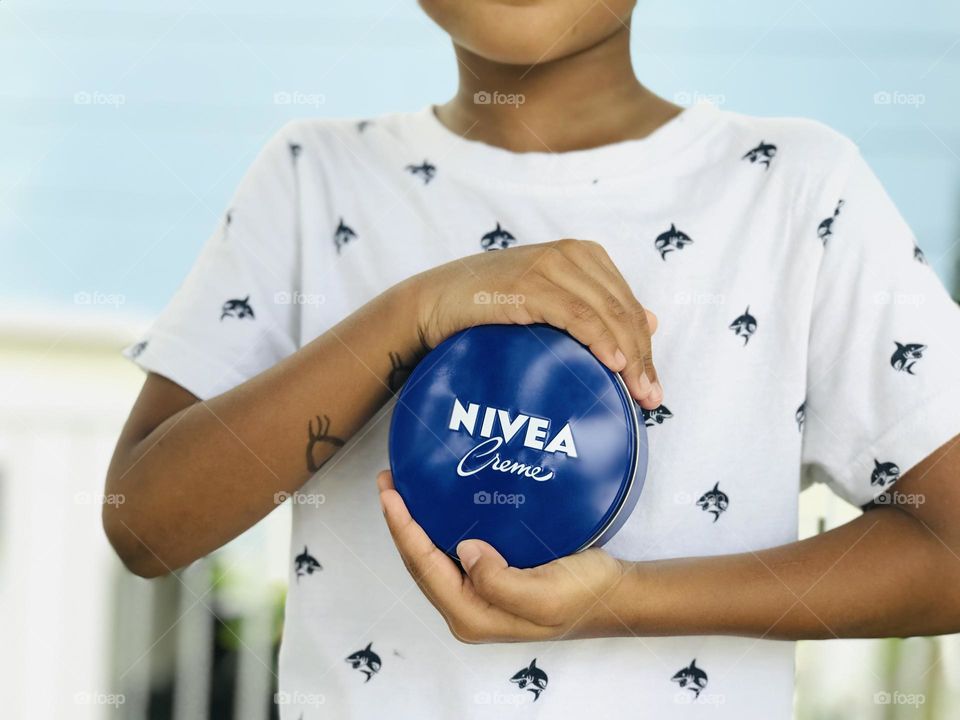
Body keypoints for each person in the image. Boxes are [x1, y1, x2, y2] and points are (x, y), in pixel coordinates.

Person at [103, 1, 960, 717]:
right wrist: (413, 312)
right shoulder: (311, 178)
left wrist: (626, 603)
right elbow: (145, 520)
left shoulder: (798, 191)